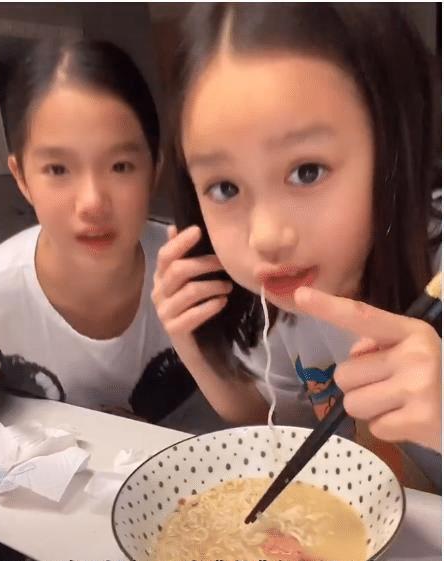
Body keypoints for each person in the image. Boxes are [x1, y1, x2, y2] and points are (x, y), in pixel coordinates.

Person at [151, 4, 441, 489]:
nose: (266, 236)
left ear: (394, 145)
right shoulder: (289, 299)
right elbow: (281, 428)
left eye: (307, 171)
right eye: (224, 187)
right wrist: (192, 344)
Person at [0, 39, 227, 433]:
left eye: (120, 166)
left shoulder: (202, 272)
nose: (92, 203)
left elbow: (268, 417)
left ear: (154, 169)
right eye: (58, 169)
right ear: (22, 178)